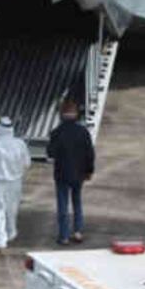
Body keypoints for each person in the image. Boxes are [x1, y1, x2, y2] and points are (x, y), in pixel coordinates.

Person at [45, 97, 95, 245]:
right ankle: (78, 232)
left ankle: (64, 236)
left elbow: (50, 153)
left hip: (62, 174)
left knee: (63, 205)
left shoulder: (56, 132)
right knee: (77, 202)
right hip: (79, 174)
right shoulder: (83, 132)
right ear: (76, 114)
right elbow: (90, 153)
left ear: (61, 114)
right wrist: (89, 170)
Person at [0, 116, 31, 251]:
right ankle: (11, 231)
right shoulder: (19, 143)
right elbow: (27, 163)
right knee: (11, 208)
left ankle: (0, 239)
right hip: (15, 181)